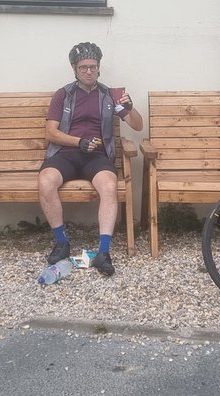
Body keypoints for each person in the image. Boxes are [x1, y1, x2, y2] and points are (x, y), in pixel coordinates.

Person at [38, 42, 144, 276]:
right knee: (45, 180)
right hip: (65, 154)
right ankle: (61, 242)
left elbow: (138, 126)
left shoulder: (110, 95)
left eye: (93, 67)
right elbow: (51, 132)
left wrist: (131, 107)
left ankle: (104, 252)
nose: (89, 71)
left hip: (96, 156)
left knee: (109, 184)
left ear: (99, 68)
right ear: (74, 69)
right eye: (84, 67)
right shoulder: (63, 95)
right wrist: (78, 141)